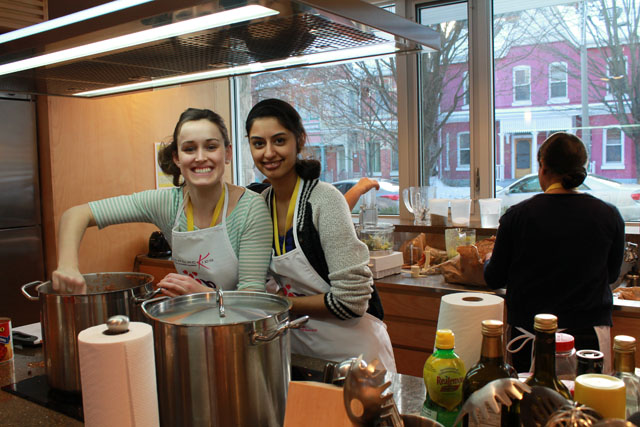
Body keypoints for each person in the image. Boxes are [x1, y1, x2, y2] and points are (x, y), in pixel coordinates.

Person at [52, 108, 272, 296]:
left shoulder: (250, 209)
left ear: (228, 153)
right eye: (189, 149)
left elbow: (253, 298)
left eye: (211, 146)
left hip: (243, 329)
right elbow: (76, 214)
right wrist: (67, 266)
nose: (200, 157)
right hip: (194, 323)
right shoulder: (167, 204)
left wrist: (203, 296)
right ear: (177, 158)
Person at [245, 98, 396, 372]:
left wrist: (282, 304)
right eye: (258, 143)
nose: (268, 153)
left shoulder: (324, 200)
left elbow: (351, 301)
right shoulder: (260, 205)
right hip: (299, 349)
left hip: (354, 357)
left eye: (279, 141)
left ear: (299, 140)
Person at [483, 132, 625, 373]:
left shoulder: (518, 216)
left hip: (531, 336)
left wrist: (488, 260)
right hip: (587, 337)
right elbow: (611, 276)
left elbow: (494, 278)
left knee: (531, 397)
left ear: (543, 167)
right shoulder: (608, 215)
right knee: (586, 396)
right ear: (582, 167)